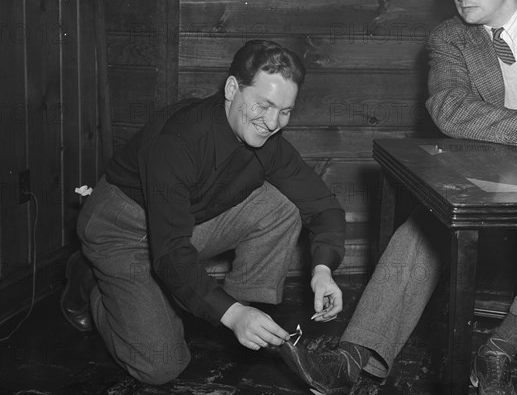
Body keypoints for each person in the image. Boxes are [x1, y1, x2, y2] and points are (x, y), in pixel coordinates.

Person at [279, 0, 517, 394]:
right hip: (491, 173)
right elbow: (449, 107)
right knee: (424, 228)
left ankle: (501, 346)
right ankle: (358, 356)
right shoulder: (450, 37)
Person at [60, 40, 347, 385]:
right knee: (161, 366)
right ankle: (93, 279)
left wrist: (322, 269)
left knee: (282, 206)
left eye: (285, 111)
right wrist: (230, 313)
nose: (273, 123)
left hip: (183, 224)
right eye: (264, 105)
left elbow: (323, 205)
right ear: (231, 89)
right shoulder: (178, 140)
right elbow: (169, 254)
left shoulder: (269, 142)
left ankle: (247, 319)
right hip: (121, 231)